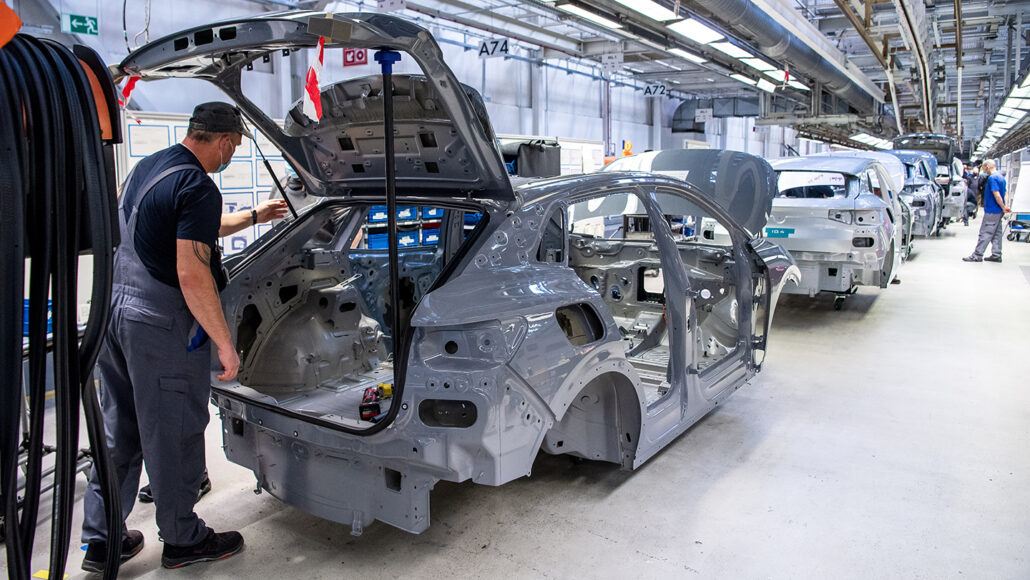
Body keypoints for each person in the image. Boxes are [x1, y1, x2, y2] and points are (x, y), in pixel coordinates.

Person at [80, 102, 288, 572]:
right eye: (233, 147)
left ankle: (103, 539)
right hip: (159, 325)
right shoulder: (198, 185)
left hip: (113, 313)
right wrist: (224, 342)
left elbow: (180, 229)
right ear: (226, 141)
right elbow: (192, 271)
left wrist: (256, 216)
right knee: (172, 432)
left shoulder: (149, 167)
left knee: (121, 432)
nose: (230, 154)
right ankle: (182, 538)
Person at [963, 159, 1010, 263]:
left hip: (992, 210)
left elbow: (996, 194)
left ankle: (977, 255)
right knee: (997, 233)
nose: (983, 170)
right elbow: (1006, 193)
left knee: (985, 232)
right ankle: (996, 254)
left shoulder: (992, 178)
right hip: (998, 211)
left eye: (983, 168)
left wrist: (1002, 206)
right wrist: (1005, 206)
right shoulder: (1001, 177)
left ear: (987, 167)